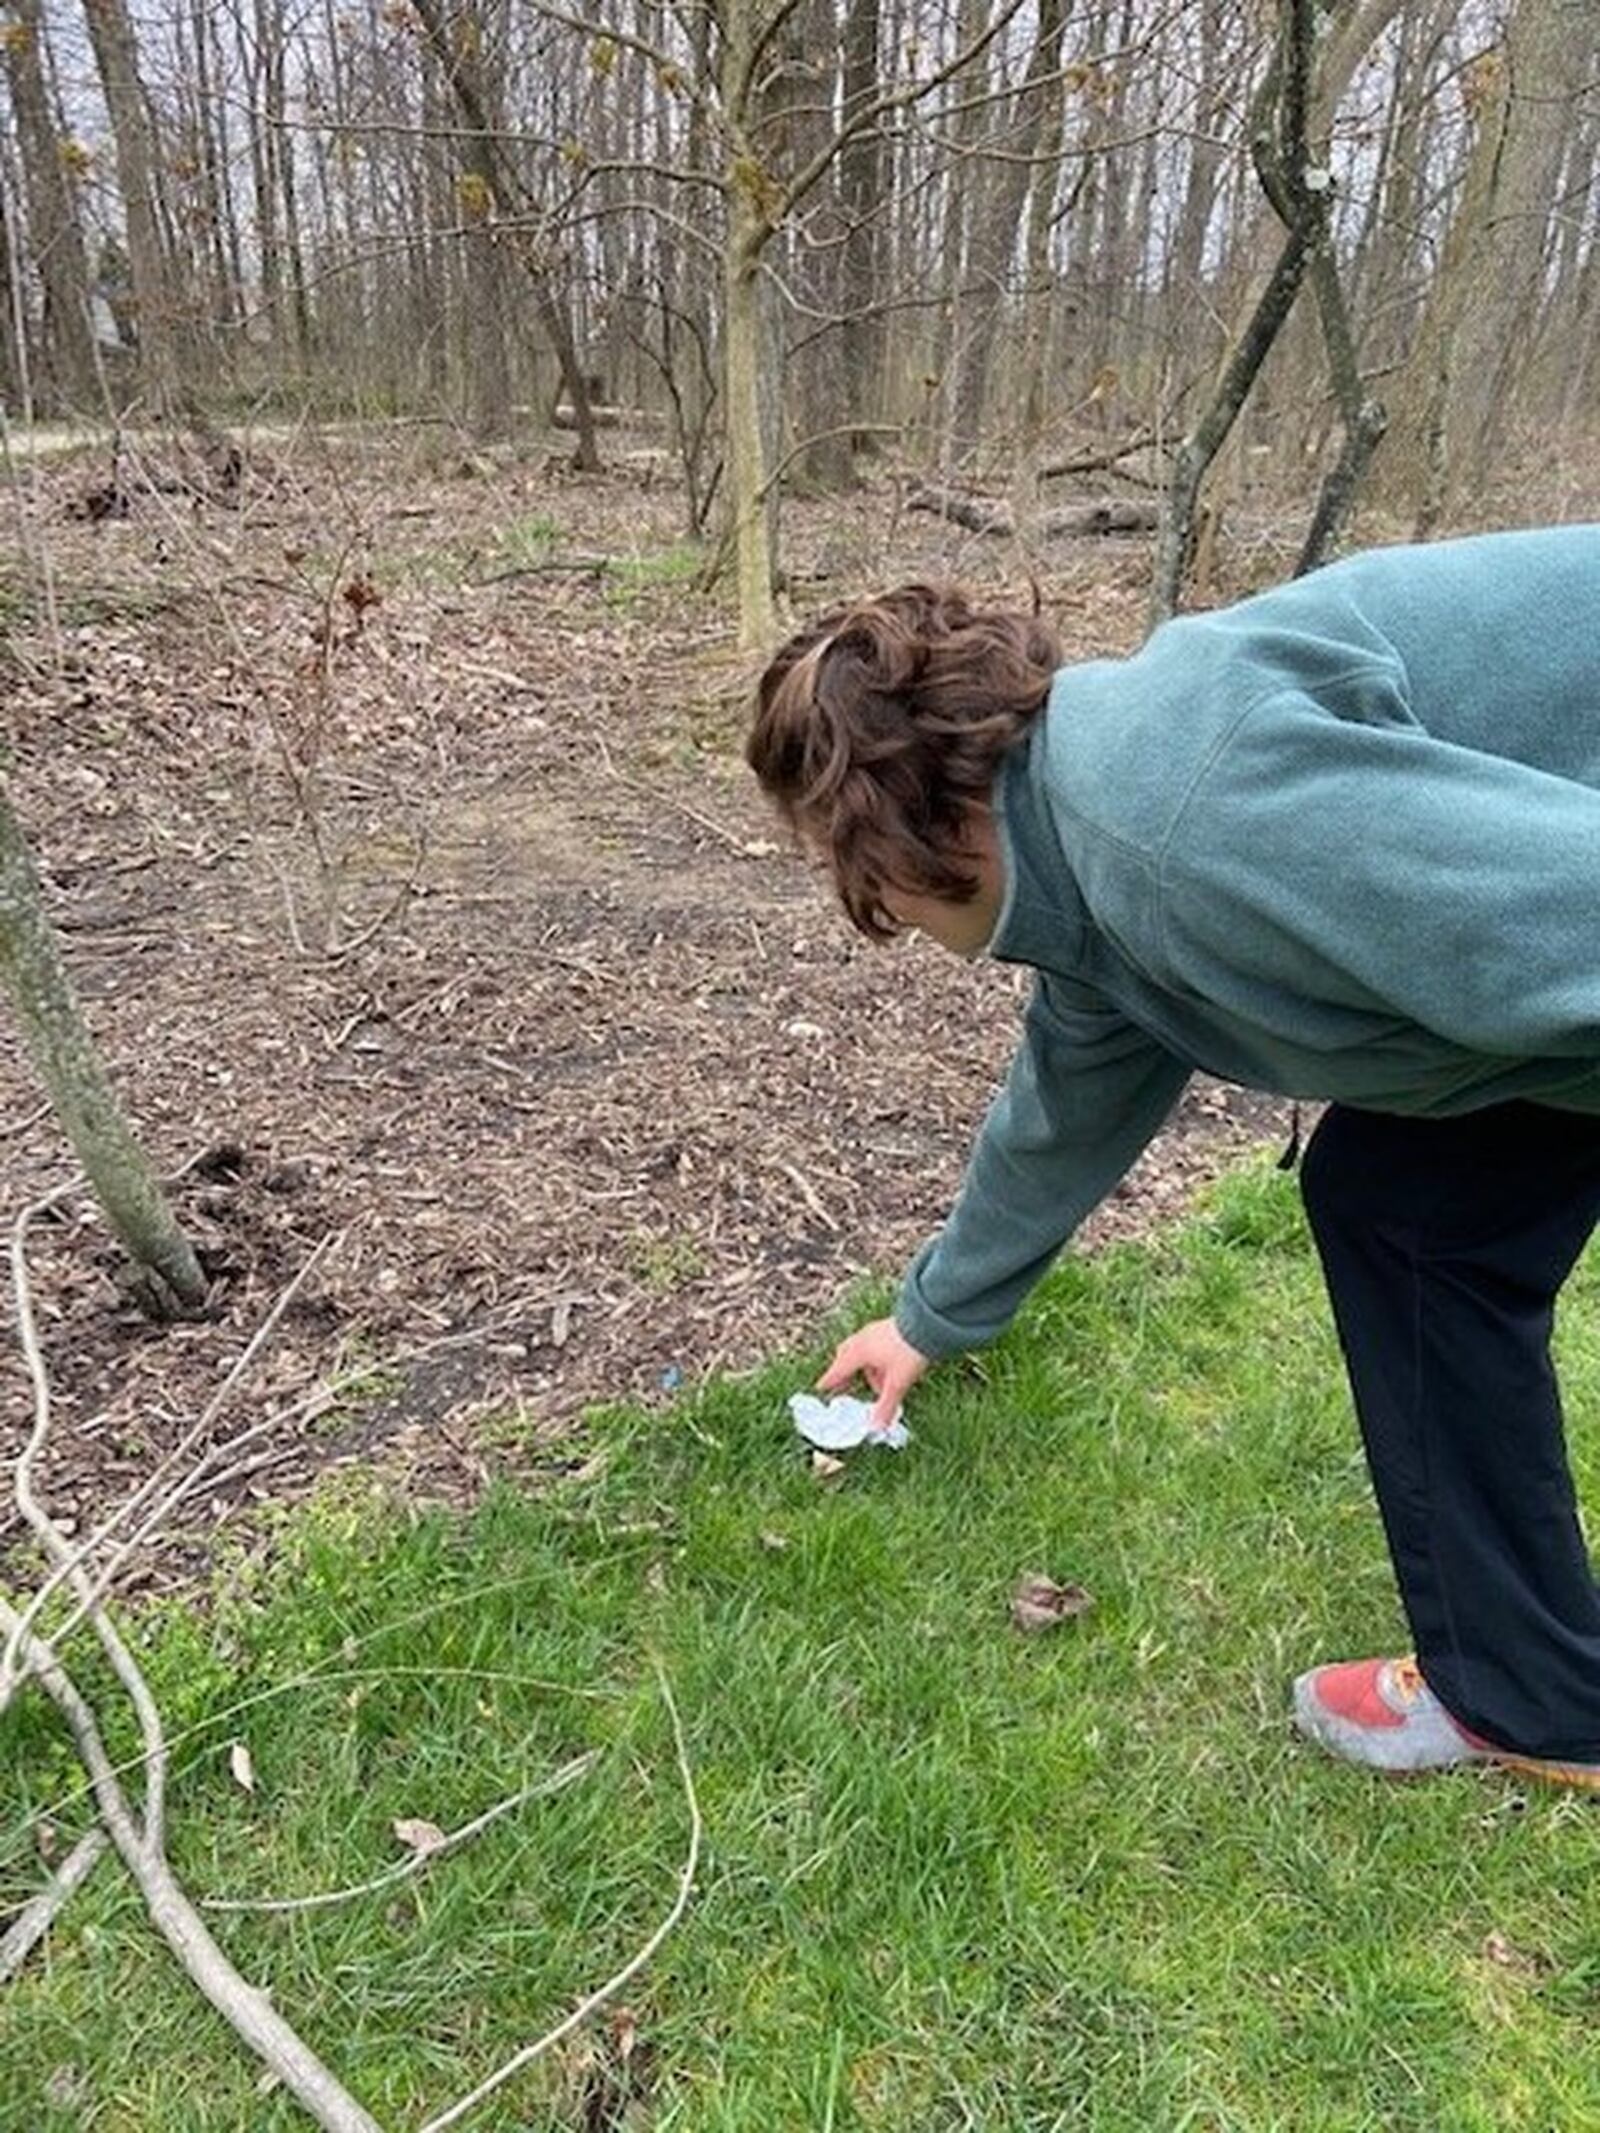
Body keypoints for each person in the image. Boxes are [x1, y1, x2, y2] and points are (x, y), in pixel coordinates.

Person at [746, 525, 1600, 1791]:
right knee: (1400, 1209)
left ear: (906, 833)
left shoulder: (1192, 823)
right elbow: (1071, 1096)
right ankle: (1530, 1698)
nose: (859, 901)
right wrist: (930, 1318)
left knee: (1408, 1210)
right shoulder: (1086, 847)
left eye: (840, 861)